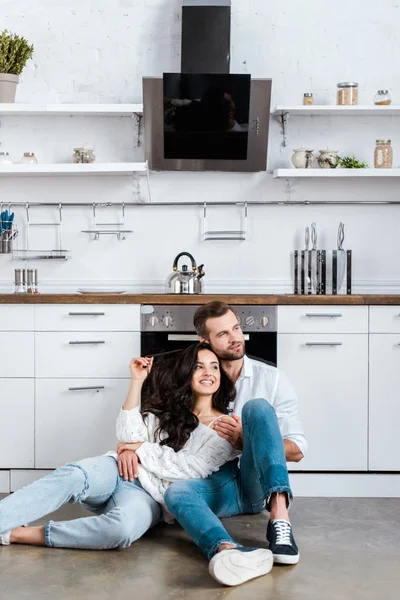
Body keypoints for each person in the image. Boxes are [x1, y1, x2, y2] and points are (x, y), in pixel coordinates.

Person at [0, 343, 273, 587]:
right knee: (74, 476)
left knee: (121, 531)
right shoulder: (166, 410)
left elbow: (191, 469)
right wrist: (137, 381)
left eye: (214, 367)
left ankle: (16, 533)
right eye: (198, 366)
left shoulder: (224, 426)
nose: (208, 372)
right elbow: (127, 436)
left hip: (151, 498)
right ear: (186, 374)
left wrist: (140, 450)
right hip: (118, 471)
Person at [162, 302, 307, 585]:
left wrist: (246, 440)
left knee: (257, 409)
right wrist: (129, 445)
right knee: (176, 493)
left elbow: (299, 449)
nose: (235, 338)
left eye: (237, 329)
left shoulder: (272, 379)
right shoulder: (193, 379)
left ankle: (279, 518)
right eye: (223, 334)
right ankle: (228, 551)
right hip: (218, 486)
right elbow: (158, 429)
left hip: (256, 486)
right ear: (204, 341)